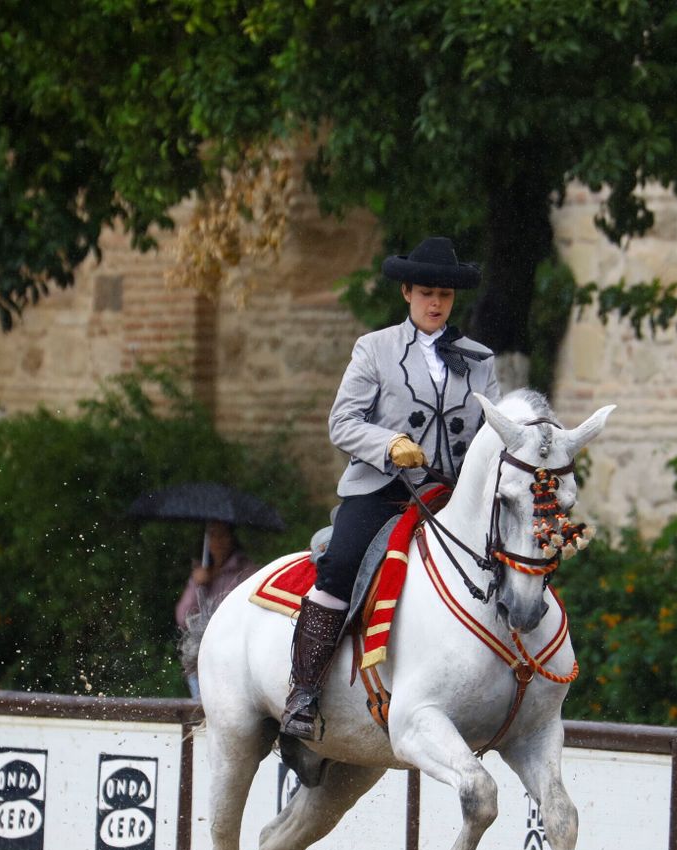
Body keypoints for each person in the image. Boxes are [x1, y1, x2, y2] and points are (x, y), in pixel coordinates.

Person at [281, 236, 502, 741]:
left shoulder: (480, 359)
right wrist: (390, 443)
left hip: (451, 494)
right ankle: (304, 690)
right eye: (426, 292)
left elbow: (496, 428)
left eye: (444, 295)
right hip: (384, 490)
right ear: (407, 292)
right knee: (339, 565)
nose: (435, 303)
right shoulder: (374, 349)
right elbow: (342, 422)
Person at [175, 520, 257, 702]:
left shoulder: (246, 572)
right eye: (212, 535)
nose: (218, 541)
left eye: (223, 535)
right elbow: (183, 617)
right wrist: (198, 584)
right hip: (202, 655)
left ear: (231, 538)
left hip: (232, 654)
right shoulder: (201, 573)